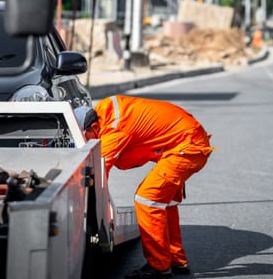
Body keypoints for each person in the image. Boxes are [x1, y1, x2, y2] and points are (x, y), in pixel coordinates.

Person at [74, 95, 215, 278]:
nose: (87, 144)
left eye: (86, 139)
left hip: (186, 147)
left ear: (94, 127)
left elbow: (98, 175)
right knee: (165, 202)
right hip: (186, 140)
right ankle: (176, 260)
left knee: (147, 199)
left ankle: (159, 267)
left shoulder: (114, 130)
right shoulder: (106, 113)